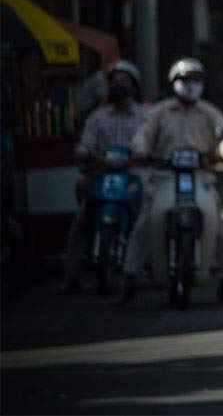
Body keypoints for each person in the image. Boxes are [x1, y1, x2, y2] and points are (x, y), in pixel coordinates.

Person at [115, 58, 223, 306]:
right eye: (184, 80)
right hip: (165, 176)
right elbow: (143, 135)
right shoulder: (160, 112)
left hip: (200, 176)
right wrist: (140, 150)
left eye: (195, 80)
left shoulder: (209, 111)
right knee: (144, 221)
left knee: (216, 225)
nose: (190, 85)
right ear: (173, 83)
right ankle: (127, 280)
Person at [58, 61, 149, 294]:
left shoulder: (145, 117)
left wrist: (145, 155)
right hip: (103, 177)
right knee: (82, 219)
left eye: (124, 81)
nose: (119, 85)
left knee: (153, 213)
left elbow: (153, 143)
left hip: (135, 177)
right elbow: (85, 145)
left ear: (135, 87)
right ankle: (71, 277)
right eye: (115, 81)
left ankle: (156, 268)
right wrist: (83, 153)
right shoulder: (98, 118)